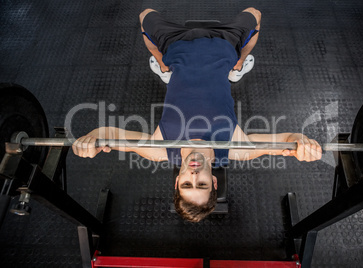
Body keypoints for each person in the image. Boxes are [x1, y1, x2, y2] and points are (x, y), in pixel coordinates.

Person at [72, 8, 322, 223]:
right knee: (255, 14)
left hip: (176, 46)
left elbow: (110, 136)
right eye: (201, 184)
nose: (193, 176)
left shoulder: (158, 149)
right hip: (223, 45)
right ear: (213, 182)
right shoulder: (236, 148)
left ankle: (163, 66)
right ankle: (237, 66)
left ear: (176, 182)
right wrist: (302, 141)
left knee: (144, 15)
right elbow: (286, 140)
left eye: (186, 185)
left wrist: (92, 138)